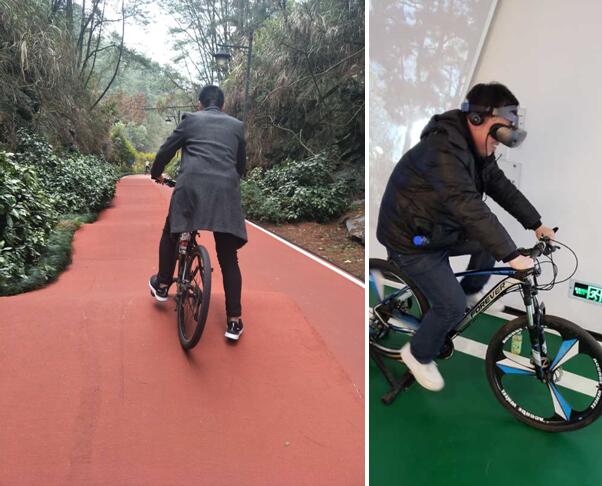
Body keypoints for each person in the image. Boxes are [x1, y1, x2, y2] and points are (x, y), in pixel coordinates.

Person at [376, 82, 556, 391]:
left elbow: (500, 186)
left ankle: (471, 294)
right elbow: (468, 206)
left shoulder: (476, 149)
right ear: (476, 119)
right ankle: (417, 354)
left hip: (438, 228)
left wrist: (536, 223)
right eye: (498, 132)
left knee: (485, 246)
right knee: (451, 305)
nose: (499, 142)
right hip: (411, 239)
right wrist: (511, 255)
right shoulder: (441, 150)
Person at [148, 85, 247, 341]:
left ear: (200, 104)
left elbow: (166, 151)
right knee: (228, 258)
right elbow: (241, 167)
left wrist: (156, 173)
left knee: (172, 232)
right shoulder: (237, 126)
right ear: (222, 106)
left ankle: (162, 284)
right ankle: (234, 321)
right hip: (225, 193)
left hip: (191, 188)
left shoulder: (190, 120)